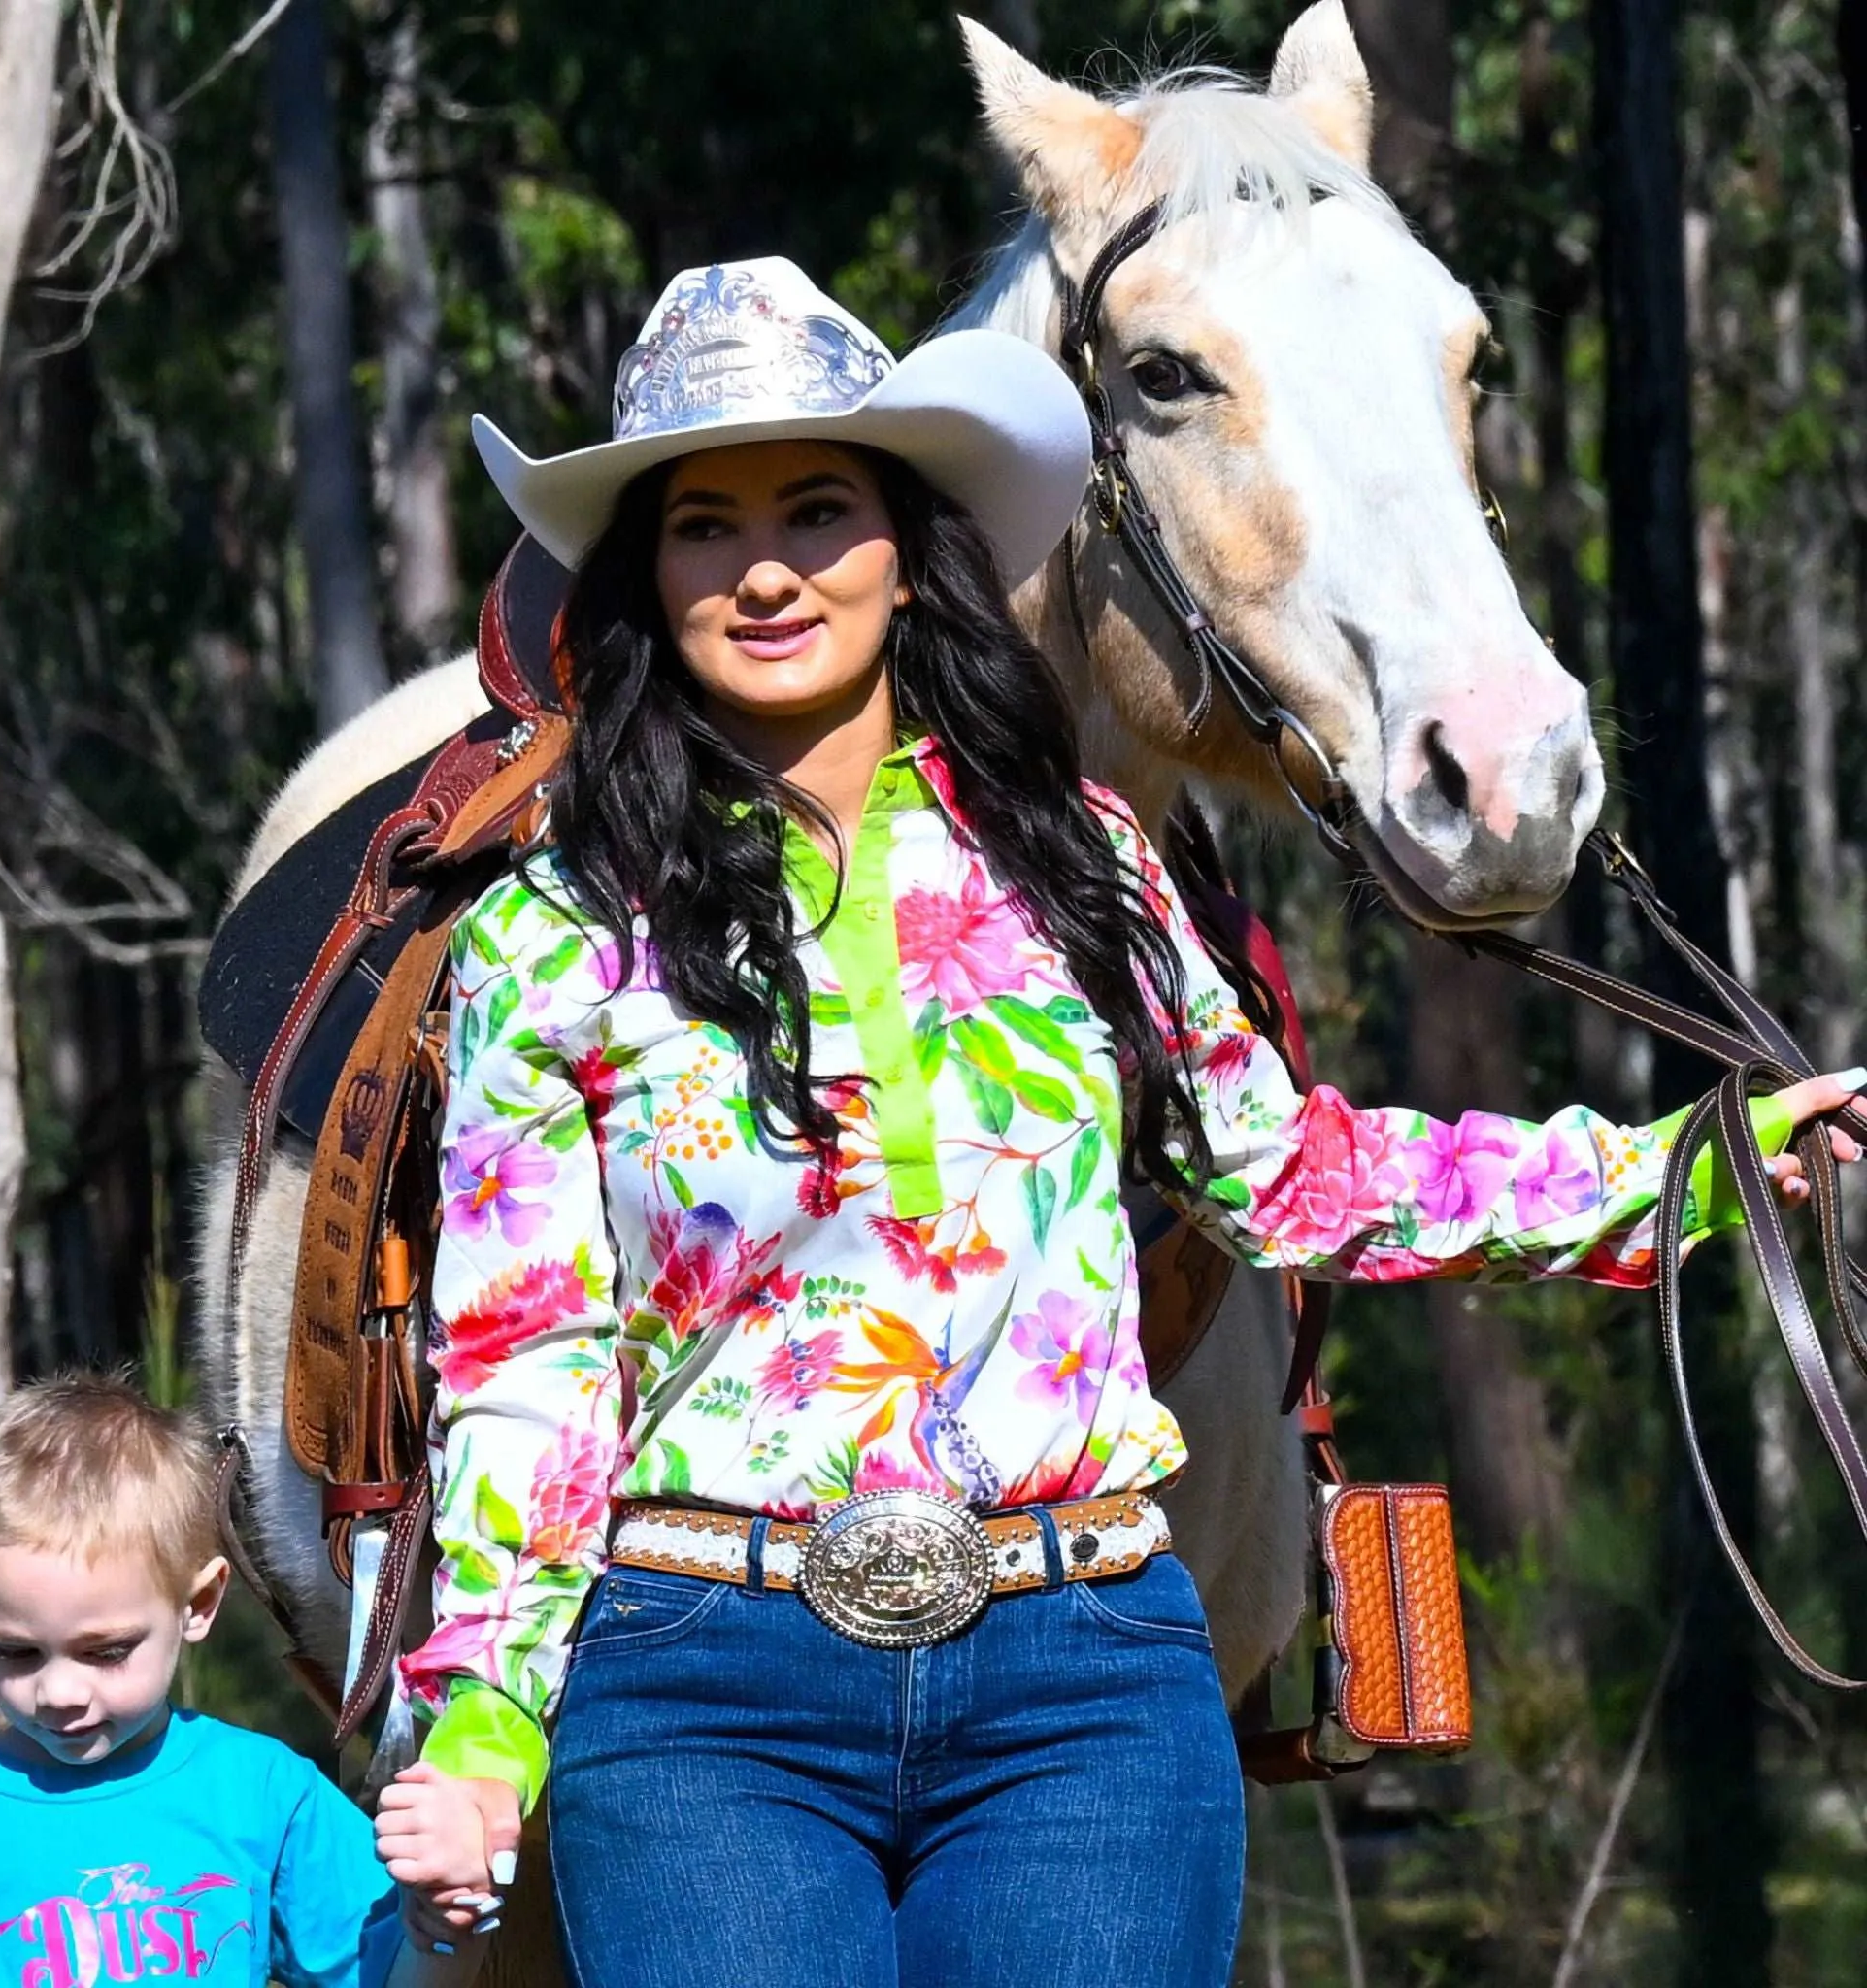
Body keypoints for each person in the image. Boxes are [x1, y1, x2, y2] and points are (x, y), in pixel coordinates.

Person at [372, 257, 1864, 1988]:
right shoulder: (555, 923)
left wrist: (1684, 1169)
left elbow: (1295, 1181)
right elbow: (529, 1355)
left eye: (816, 508)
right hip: (705, 1686)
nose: (766, 566)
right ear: (649, 578)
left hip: (1081, 1676)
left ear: (903, 548)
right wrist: (482, 1719)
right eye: (705, 524)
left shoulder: (1076, 856)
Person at [0, 1372, 483, 1987]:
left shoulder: (260, 1793)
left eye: (106, 1651)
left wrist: (449, 1910)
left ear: (196, 1606)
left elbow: (395, 1979)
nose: (58, 1693)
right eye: (16, 1651)